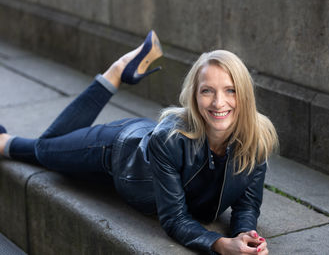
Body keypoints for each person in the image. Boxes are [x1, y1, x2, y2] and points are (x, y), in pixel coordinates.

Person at [0, 30, 277, 255]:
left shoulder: (256, 141)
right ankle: (118, 71)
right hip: (116, 151)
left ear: (245, 96)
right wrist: (219, 244)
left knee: (48, 146)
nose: (219, 102)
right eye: (207, 91)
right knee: (45, 149)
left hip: (141, 169)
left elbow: (247, 205)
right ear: (193, 97)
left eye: (230, 90)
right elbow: (175, 219)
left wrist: (245, 236)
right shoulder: (169, 141)